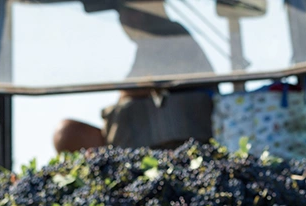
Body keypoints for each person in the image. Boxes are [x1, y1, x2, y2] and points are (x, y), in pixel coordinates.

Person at [54, 1, 215, 152]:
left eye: (128, 12)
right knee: (67, 132)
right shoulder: (149, 45)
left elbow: (141, 85)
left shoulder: (168, 35)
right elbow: (134, 87)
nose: (125, 21)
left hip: (181, 135)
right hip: (151, 137)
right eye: (123, 15)